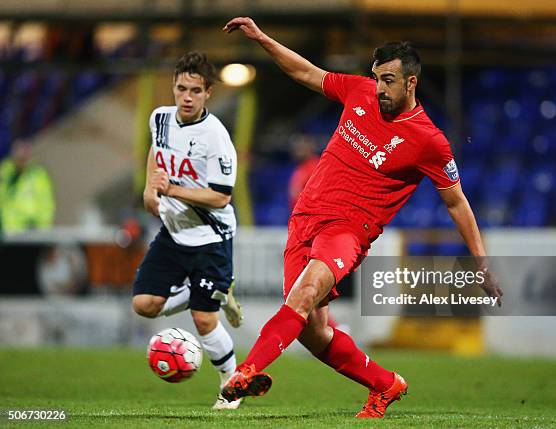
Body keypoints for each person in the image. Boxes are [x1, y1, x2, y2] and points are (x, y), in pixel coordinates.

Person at [220, 17, 503, 418]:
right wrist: (263, 39)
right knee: (313, 333)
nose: (380, 88)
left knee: (300, 297)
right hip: (304, 220)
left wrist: (480, 261)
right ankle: (386, 384)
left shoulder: (428, 141)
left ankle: (246, 372)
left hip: (346, 231)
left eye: (389, 80)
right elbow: (306, 71)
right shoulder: (359, 92)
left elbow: (457, 203)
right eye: (377, 78)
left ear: (411, 83)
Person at [131, 51, 244, 410]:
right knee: (144, 305)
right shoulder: (160, 118)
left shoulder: (216, 137)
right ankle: (215, 292)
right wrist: (151, 187)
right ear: (174, 87)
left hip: (211, 236)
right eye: (181, 88)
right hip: (174, 231)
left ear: (208, 92)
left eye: (195, 90)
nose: (187, 97)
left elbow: (221, 197)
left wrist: (171, 190)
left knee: (203, 318)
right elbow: (156, 150)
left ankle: (231, 384)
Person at [0, 140, 55, 235]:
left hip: (31, 230)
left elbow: (46, 202)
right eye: (20, 156)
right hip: (7, 230)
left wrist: (43, 227)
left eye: (25, 155)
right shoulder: (5, 172)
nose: (22, 159)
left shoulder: (38, 175)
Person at [288, 134, 319, 210]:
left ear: (311, 146)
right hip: (297, 216)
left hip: (309, 217)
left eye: (302, 145)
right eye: (297, 145)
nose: (298, 148)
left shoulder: (317, 166)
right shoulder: (299, 168)